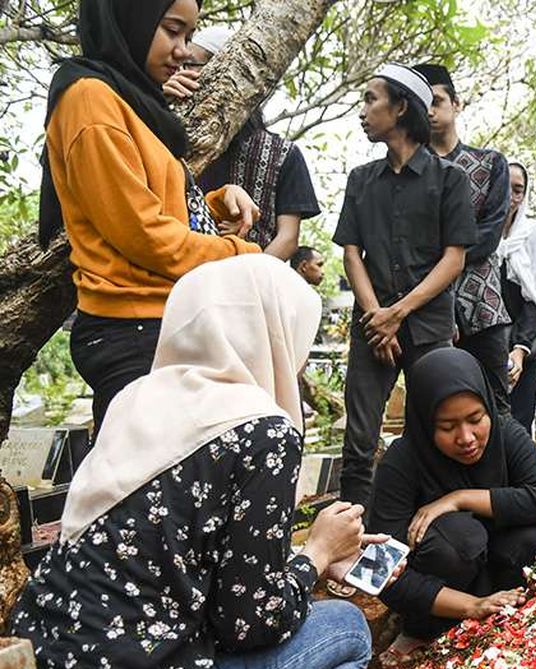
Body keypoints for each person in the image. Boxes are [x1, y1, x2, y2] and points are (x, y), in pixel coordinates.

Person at [9, 255, 377, 669]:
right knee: (347, 631)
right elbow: (249, 624)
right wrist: (317, 556)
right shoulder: (261, 429)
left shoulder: (136, 402)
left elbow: (170, 553)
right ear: (275, 330)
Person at [38, 0, 261, 433]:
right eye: (171, 30)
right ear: (131, 19)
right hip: (134, 329)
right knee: (150, 490)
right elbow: (143, 234)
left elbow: (156, 208)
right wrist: (244, 256)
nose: (181, 50)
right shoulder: (90, 100)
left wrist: (214, 204)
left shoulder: (131, 100)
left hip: (161, 322)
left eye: (189, 36)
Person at [334, 64, 478, 507]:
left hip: (428, 328)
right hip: (372, 326)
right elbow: (352, 253)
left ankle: (431, 526)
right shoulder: (361, 180)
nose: (362, 111)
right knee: (359, 441)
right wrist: (376, 315)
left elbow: (454, 259)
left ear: (399, 108)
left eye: (370, 99)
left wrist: (396, 314)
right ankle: (352, 536)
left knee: (433, 430)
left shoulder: (449, 179)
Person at [369, 348, 536, 641]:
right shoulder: (401, 461)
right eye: (447, 427)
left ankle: (511, 616)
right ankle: (421, 630)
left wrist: (459, 498)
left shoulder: (506, 434)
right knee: (460, 540)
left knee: (533, 538)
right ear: (424, 423)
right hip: (442, 596)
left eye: (475, 418)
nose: (466, 438)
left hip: (503, 582)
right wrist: (472, 606)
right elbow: (378, 568)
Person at [163, 24, 321, 260]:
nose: (182, 72)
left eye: (191, 65)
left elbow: (287, 239)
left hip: (252, 284)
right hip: (177, 280)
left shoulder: (284, 154)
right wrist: (157, 105)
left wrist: (249, 281)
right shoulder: (170, 135)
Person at [414, 64, 514, 413]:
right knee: (432, 411)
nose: (429, 111)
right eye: (421, 102)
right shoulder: (407, 171)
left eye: (437, 101)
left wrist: (442, 257)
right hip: (425, 312)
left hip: (482, 306)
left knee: (496, 410)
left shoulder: (490, 164)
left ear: (456, 104)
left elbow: (489, 235)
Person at [498, 161, 536, 433]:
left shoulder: (532, 234)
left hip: (525, 343)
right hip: (485, 342)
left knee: (519, 423)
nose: (511, 196)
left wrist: (519, 351)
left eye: (518, 190)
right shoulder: (480, 233)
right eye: (505, 187)